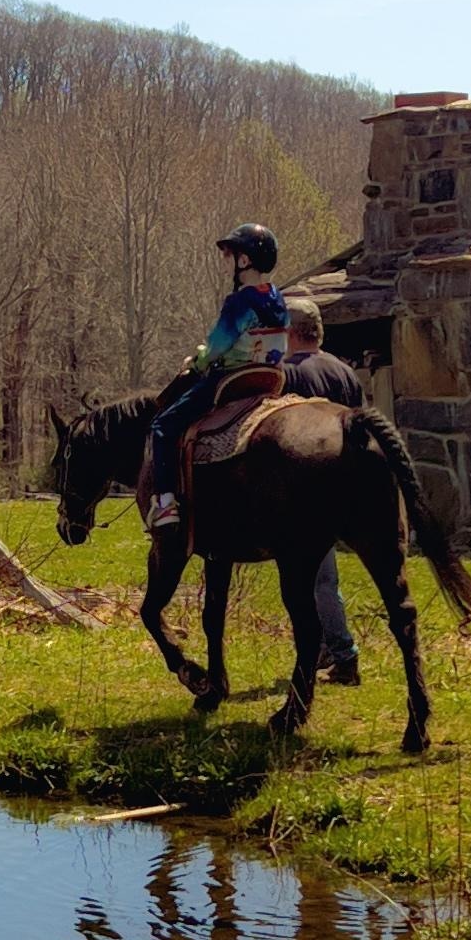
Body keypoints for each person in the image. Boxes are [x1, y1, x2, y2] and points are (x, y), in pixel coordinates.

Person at [143, 222, 290, 532]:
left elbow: (217, 347)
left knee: (163, 426)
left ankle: (166, 503)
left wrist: (196, 361)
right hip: (269, 375)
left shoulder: (239, 302)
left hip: (231, 377)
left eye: (229, 255)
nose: (225, 260)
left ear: (244, 261)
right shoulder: (278, 297)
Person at [279, 290, 366, 683]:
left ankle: (342, 653)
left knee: (317, 578)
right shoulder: (344, 372)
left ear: (290, 332)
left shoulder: (288, 374)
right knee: (322, 576)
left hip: (310, 486)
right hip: (350, 480)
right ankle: (326, 650)